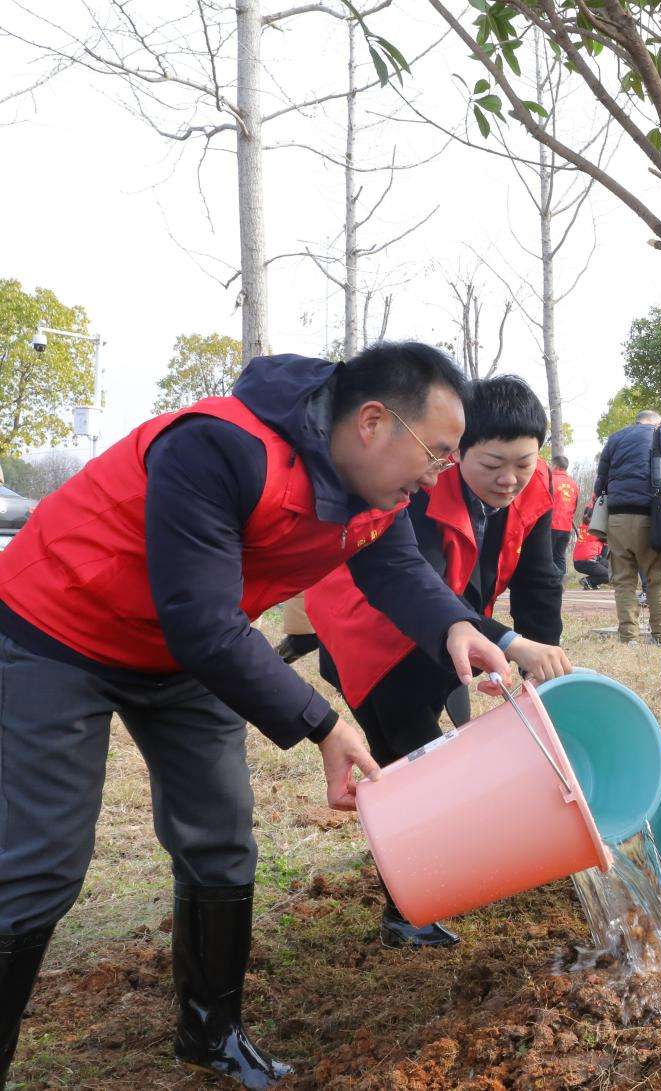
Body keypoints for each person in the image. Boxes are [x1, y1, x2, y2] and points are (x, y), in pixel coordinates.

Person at [0, 343, 514, 1088]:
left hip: (187, 657)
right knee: (42, 862)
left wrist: (458, 626)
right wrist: (323, 722)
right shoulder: (219, 445)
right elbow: (200, 619)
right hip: (57, 628)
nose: (440, 473)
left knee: (220, 838)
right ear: (373, 421)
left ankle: (211, 1034)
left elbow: (399, 570)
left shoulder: (380, 499)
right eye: (435, 452)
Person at [307, 376, 570, 949]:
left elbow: (540, 581)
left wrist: (534, 664)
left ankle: (429, 882)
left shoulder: (536, 488)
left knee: (446, 753)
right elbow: (416, 588)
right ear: (456, 454)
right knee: (413, 764)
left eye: (523, 463)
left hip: (453, 637)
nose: (509, 480)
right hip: (372, 630)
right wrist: (505, 640)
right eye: (493, 464)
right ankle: (408, 908)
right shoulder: (421, 487)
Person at [593, 409, 661, 644]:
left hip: (617, 518)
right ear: (659, 421)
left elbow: (600, 482)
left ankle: (629, 638)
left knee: (623, 580)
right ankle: (660, 636)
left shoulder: (615, 438)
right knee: (660, 578)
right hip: (653, 518)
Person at [550, 454, 581, 578]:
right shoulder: (573, 484)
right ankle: (560, 583)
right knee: (560, 556)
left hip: (551, 524)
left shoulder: (550, 480)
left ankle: (549, 585)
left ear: (555, 465)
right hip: (566, 527)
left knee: (548, 556)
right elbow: (575, 505)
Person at [572, 501, 611, 589]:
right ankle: (588, 581)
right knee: (610, 575)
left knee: (610, 569)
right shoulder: (596, 530)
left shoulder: (584, 526)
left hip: (581, 561)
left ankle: (591, 583)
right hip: (586, 561)